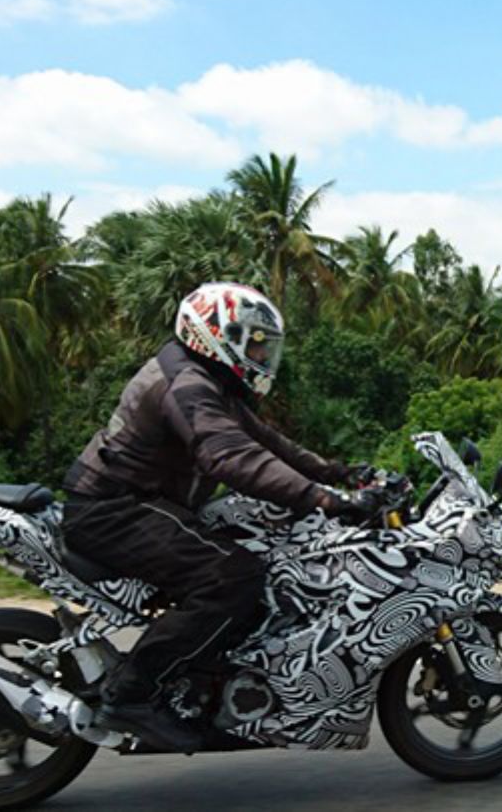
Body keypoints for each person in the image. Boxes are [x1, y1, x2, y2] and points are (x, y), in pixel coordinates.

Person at [61, 282, 373, 751]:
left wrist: (342, 474)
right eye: (255, 343)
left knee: (249, 557)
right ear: (215, 333)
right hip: (115, 508)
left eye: (265, 346)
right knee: (233, 575)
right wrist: (324, 499)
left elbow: (269, 445)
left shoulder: (208, 382)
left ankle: (201, 676)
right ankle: (132, 693)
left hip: (138, 504)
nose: (262, 354)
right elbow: (231, 458)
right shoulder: (186, 385)